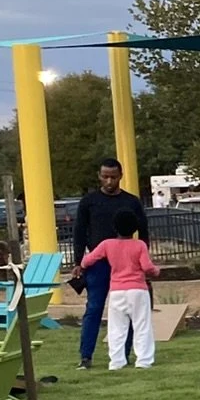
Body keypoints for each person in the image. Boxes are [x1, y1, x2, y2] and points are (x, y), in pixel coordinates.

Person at [70, 158, 147, 370]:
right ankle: (86, 356)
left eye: (113, 177)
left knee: (131, 310)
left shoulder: (131, 202)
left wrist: (143, 259)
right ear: (99, 176)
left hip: (127, 263)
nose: (109, 181)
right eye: (105, 177)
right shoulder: (89, 201)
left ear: (120, 176)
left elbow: (144, 231)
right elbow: (79, 231)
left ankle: (125, 354)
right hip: (99, 263)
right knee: (94, 307)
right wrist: (79, 261)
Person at [77, 209, 159, 370]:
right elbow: (147, 267)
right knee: (142, 325)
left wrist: (82, 265)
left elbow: (87, 260)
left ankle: (116, 362)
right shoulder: (139, 245)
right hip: (138, 290)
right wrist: (157, 271)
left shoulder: (107, 244)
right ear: (135, 229)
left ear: (115, 227)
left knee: (116, 328)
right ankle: (143, 360)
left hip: (117, 291)